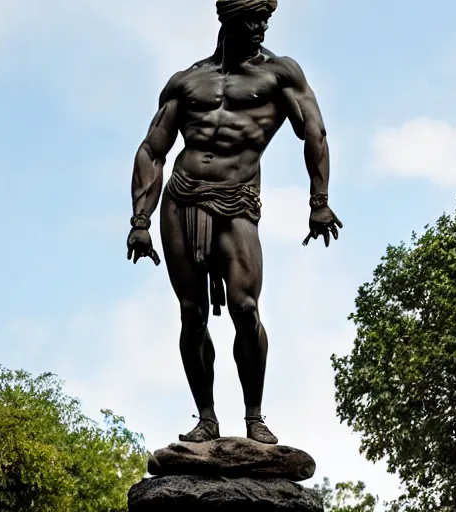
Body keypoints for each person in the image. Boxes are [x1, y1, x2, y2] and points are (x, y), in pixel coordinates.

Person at [126, 0, 342, 444]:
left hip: (237, 202)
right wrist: (140, 219)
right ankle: (206, 418)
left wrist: (318, 201)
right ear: (227, 18)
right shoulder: (186, 81)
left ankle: (254, 415)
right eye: (252, 18)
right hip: (181, 199)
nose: (261, 26)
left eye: (266, 18)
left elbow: (315, 132)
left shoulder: (280, 75)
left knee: (245, 309)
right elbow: (152, 149)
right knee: (192, 314)